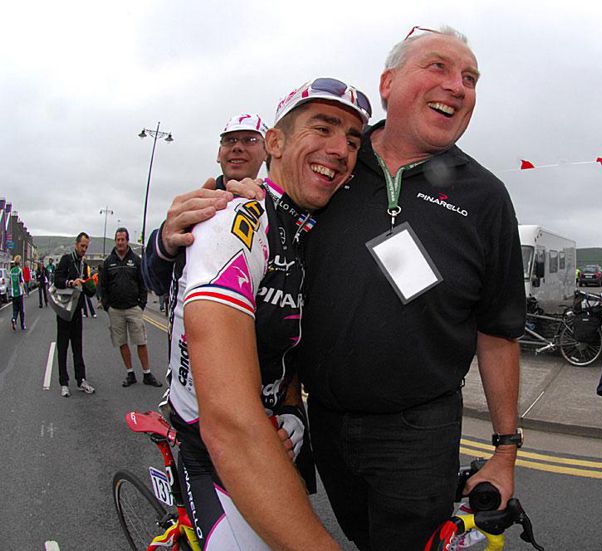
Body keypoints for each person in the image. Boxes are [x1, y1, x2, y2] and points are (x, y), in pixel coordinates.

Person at [146, 27, 526, 550]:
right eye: (438, 67)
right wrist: (165, 241)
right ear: (388, 84)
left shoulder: (485, 195)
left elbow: (499, 328)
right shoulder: (331, 174)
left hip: (419, 430)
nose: (457, 86)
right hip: (324, 423)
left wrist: (505, 450)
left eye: (470, 78)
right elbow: (233, 235)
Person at [161, 79, 369, 550]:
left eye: (353, 141)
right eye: (323, 127)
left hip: (276, 434)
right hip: (214, 445)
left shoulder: (318, 230)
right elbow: (230, 422)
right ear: (274, 142)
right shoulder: (237, 220)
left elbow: (292, 341)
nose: (340, 149)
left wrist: (292, 408)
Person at [141, 113, 268, 293]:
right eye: (229, 140)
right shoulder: (193, 208)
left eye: (250, 140)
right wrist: (164, 242)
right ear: (219, 154)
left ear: (267, 152)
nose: (237, 147)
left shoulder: (275, 208)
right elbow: (155, 284)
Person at [98, 228, 162, 388]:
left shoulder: (136, 260)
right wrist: (106, 305)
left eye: (123, 240)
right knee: (122, 342)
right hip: (115, 310)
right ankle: (130, 373)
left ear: (127, 241)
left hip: (134, 308)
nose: (120, 242)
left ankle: (147, 373)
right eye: (118, 240)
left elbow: (143, 283)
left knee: (141, 341)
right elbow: (102, 285)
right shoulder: (108, 262)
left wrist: (142, 304)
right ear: (115, 241)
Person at [54, 232, 97, 397]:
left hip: (77, 310)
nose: (84, 249)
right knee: (63, 347)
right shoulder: (66, 260)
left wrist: (92, 284)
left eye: (86, 247)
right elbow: (57, 279)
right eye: (82, 246)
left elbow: (87, 290)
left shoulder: (83, 264)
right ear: (76, 244)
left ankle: (81, 380)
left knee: (78, 347)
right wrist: (70, 282)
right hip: (64, 310)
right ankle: (63, 383)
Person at [9, 255, 25, 330]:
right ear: (19, 262)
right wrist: (24, 291)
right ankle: (22, 325)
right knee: (21, 310)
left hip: (13, 293)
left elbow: (10, 282)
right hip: (19, 293)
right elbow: (21, 282)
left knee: (15, 309)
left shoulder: (11, 271)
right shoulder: (19, 270)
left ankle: (14, 319)